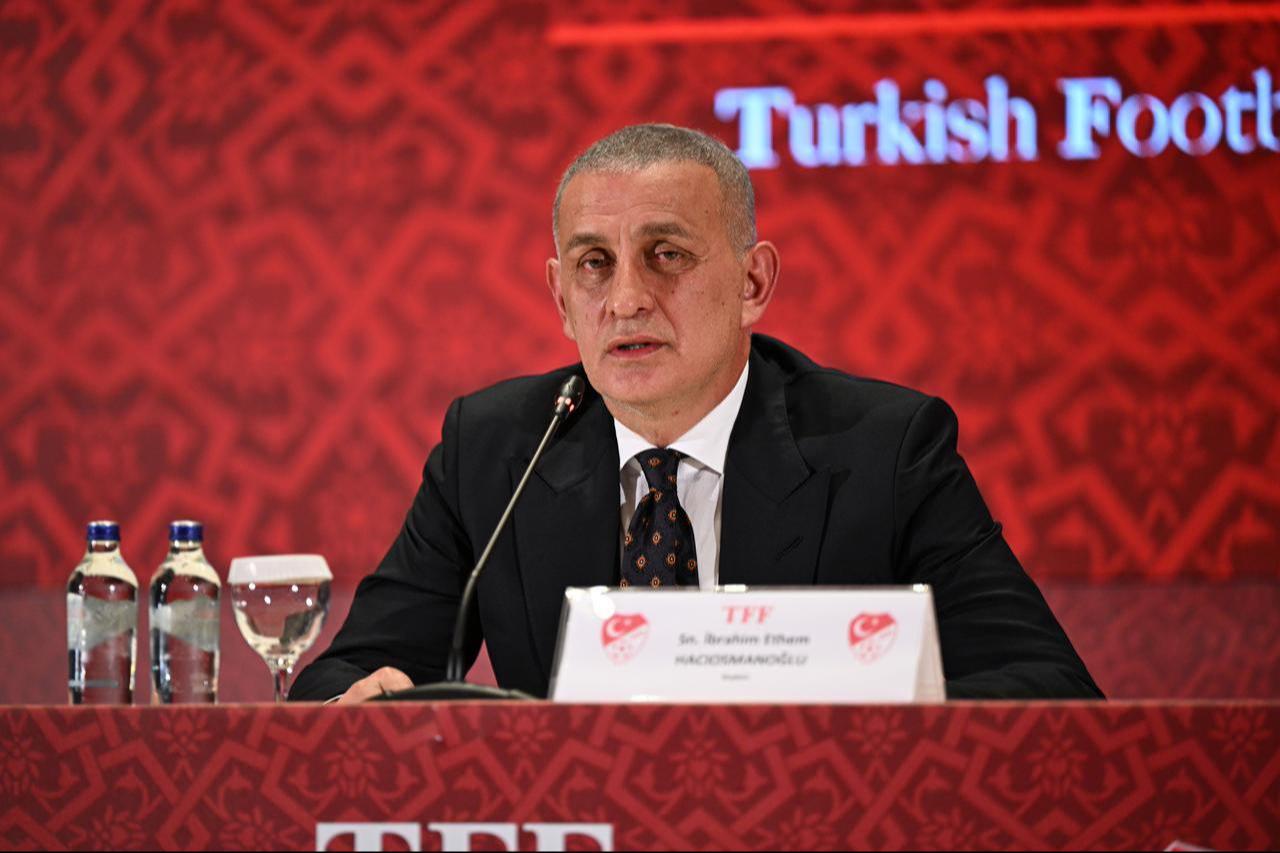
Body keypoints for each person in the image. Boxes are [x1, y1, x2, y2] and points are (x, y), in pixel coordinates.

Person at [290, 124, 1102, 704]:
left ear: (753, 283)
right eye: (594, 265)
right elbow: (348, 674)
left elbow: (1051, 692)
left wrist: (859, 721)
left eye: (667, 255)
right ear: (562, 300)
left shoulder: (885, 449)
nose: (628, 299)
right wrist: (380, 711)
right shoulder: (496, 449)